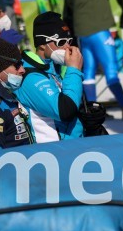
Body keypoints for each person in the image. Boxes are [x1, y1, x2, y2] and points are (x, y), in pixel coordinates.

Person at [19, 12, 86, 142]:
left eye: (69, 41)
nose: (67, 47)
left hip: (71, 147)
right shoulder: (30, 77)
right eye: (61, 42)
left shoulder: (55, 69)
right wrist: (74, 70)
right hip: (52, 154)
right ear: (42, 44)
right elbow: (65, 111)